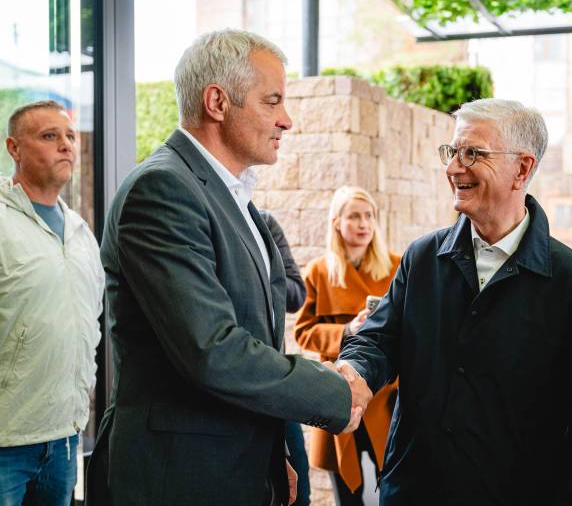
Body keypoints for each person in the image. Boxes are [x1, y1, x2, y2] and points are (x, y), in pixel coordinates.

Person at [86, 30, 372, 506]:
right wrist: (334, 392)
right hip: (179, 476)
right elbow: (213, 349)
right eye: (272, 101)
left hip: (235, 464)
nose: (286, 120)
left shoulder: (233, 196)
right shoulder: (162, 190)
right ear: (217, 102)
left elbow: (253, 338)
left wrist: (271, 456)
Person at [333, 99, 572, 504]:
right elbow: (378, 339)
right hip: (415, 492)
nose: (453, 168)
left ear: (522, 169)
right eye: (452, 152)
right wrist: (355, 371)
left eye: (472, 154)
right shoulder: (422, 257)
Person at [0, 100, 104, 505]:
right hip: (6, 442)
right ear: (14, 148)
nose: (66, 145)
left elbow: (91, 324)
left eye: (70, 137)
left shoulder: (81, 233)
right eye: (49, 136)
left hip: (63, 439)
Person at [294, 186, 400, 505]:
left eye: (369, 216)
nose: (364, 223)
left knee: (394, 487)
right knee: (347, 493)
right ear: (337, 222)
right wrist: (346, 330)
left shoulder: (396, 267)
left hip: (385, 397)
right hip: (340, 394)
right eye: (354, 216)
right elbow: (304, 331)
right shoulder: (319, 272)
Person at [260, 210, 311, 506]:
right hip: (233, 386)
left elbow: (296, 295)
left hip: (278, 381)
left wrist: (259, 272)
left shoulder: (265, 223)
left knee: (298, 491)